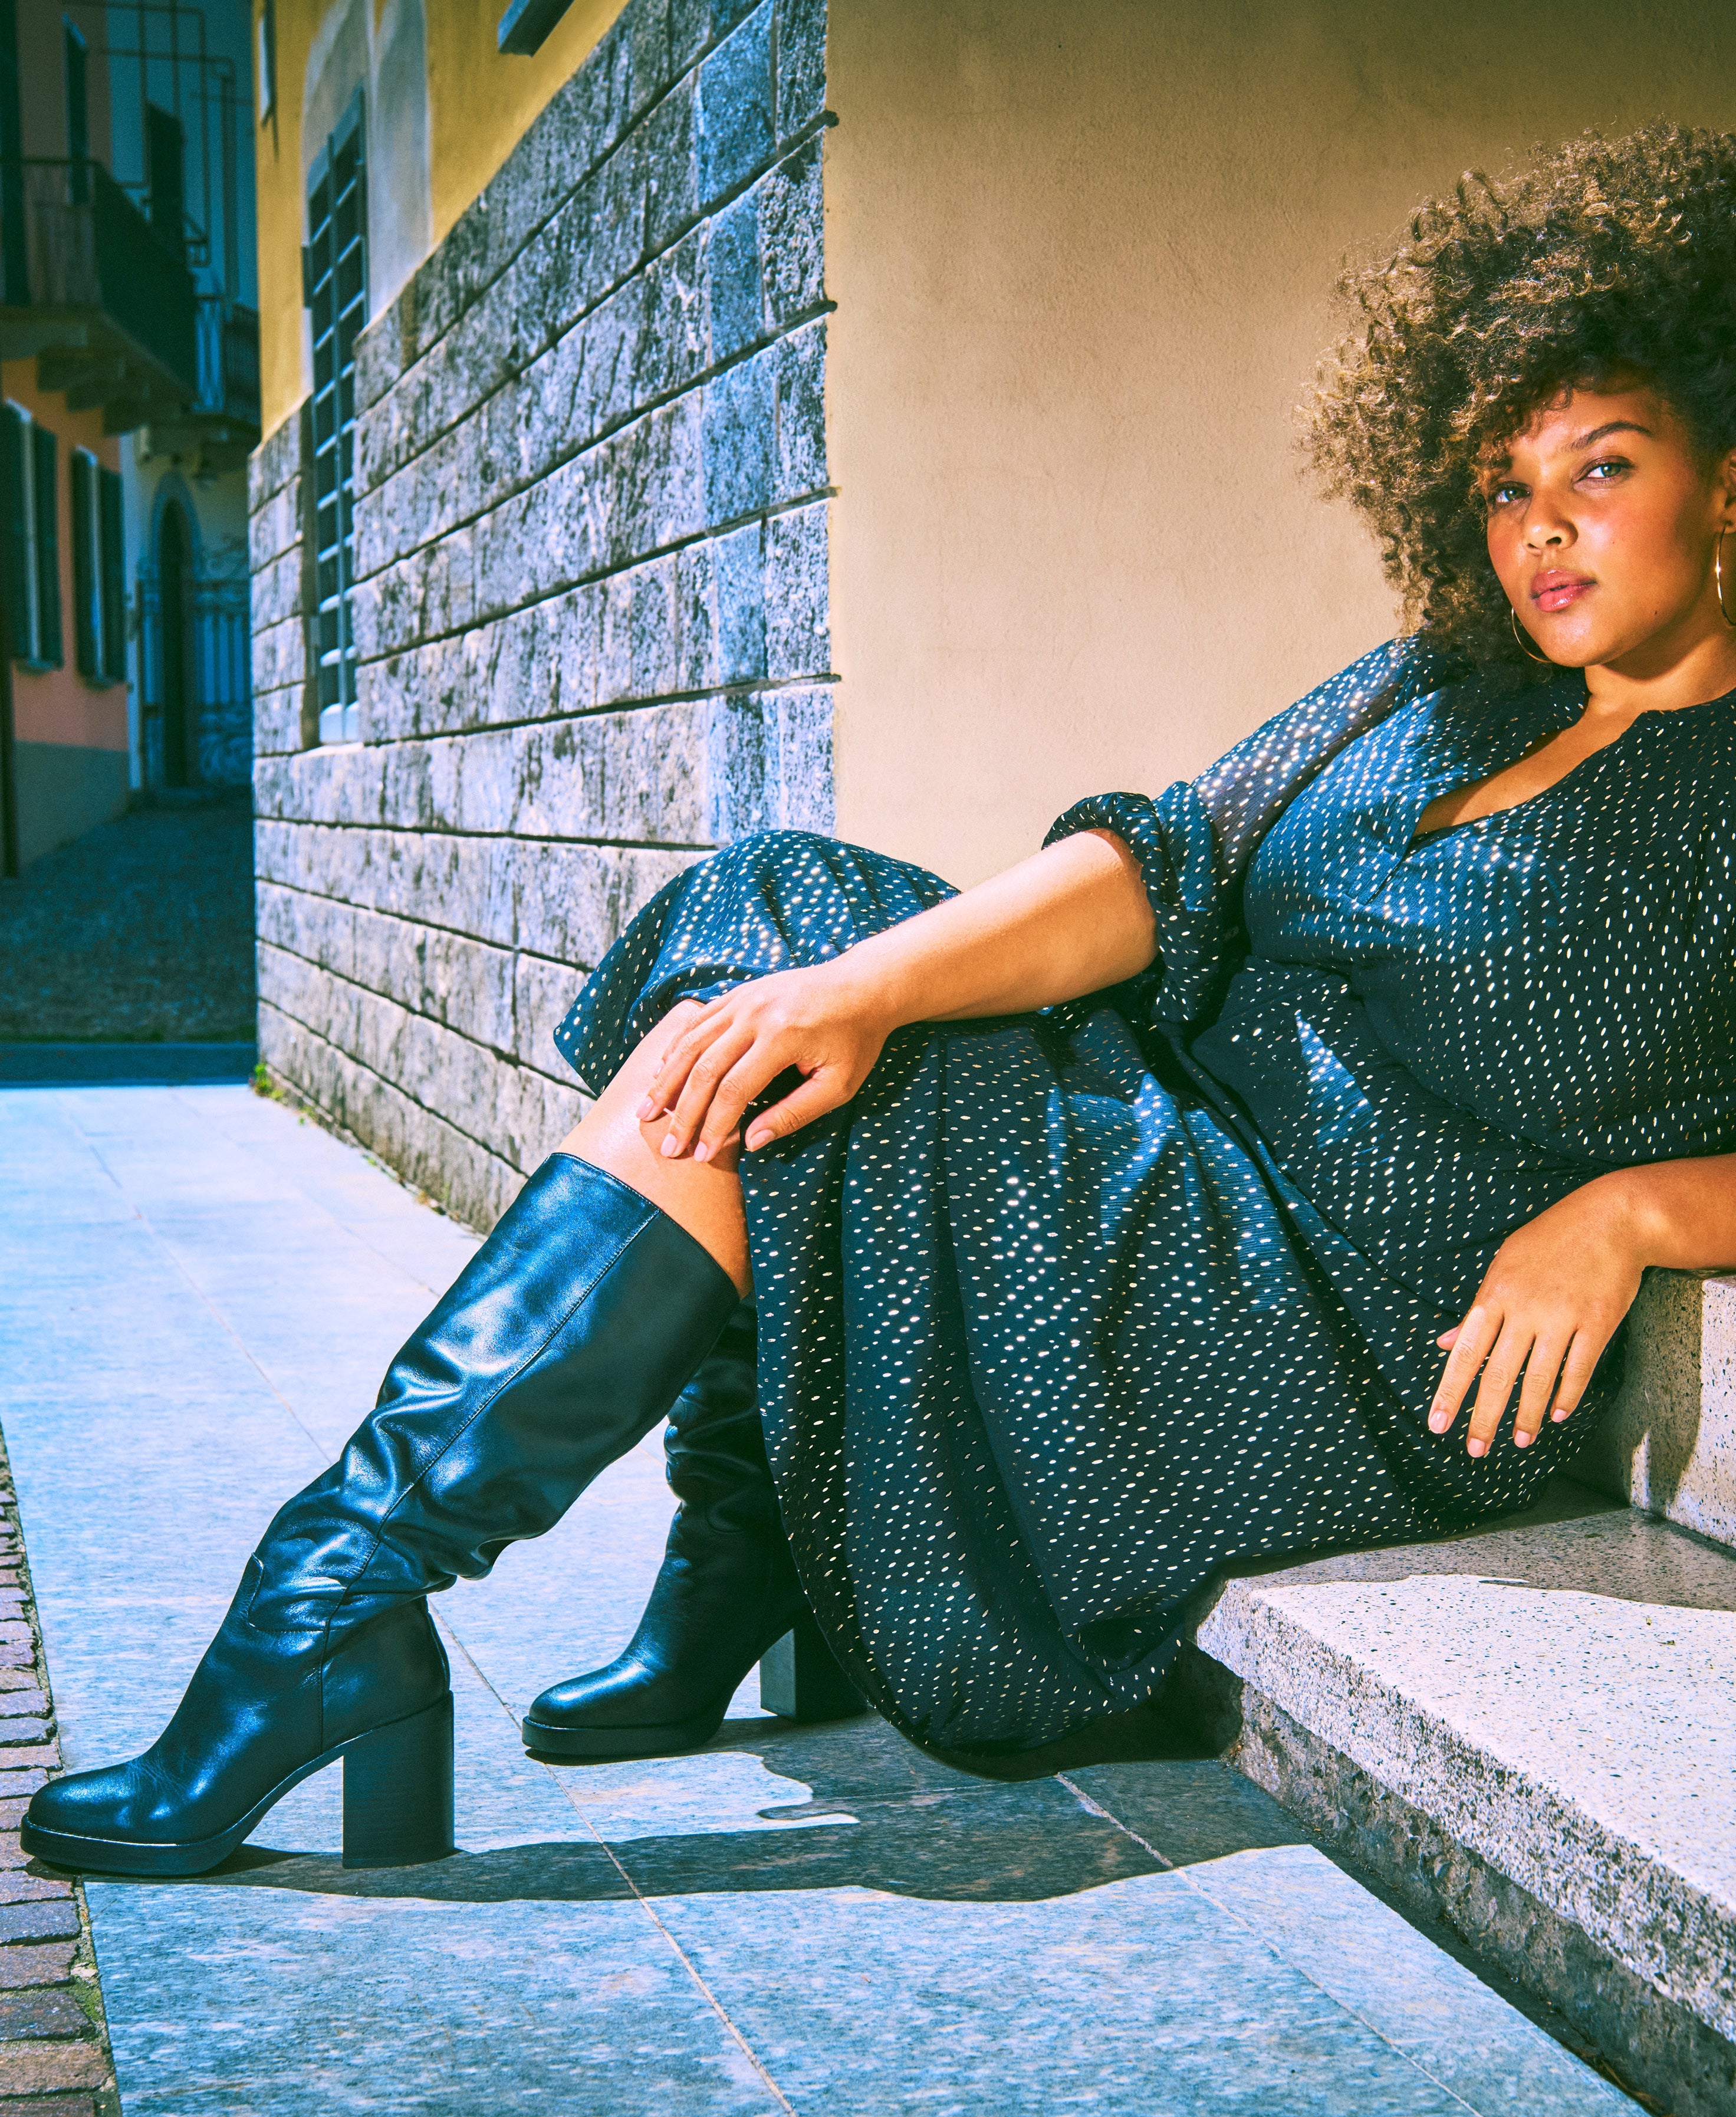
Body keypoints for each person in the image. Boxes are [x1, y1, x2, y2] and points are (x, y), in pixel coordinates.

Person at [23, 121, 1736, 1877]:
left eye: (1601, 469)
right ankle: (578, 1568)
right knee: (791, 929)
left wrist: (1628, 1213)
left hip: (1336, 1337)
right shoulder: (1439, 686)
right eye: (1506, 487)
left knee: (810, 1019)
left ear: (1730, 482)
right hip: (1175, 1168)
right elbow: (1158, 867)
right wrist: (857, 990)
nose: (1542, 529)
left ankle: (370, 1606)